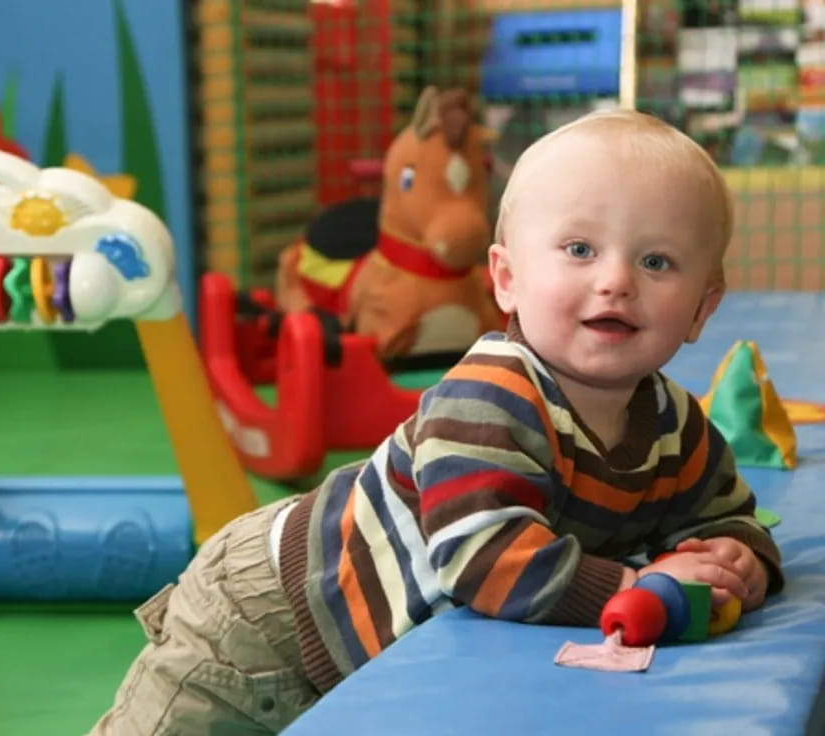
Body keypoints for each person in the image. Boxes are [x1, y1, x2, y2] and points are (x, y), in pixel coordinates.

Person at [89, 109, 783, 735]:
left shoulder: (672, 425)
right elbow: (487, 558)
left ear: (701, 309)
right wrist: (635, 587)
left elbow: (720, 513)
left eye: (656, 261)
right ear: (505, 279)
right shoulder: (492, 396)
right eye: (579, 249)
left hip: (364, 646)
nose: (616, 280)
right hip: (266, 618)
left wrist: (736, 560)